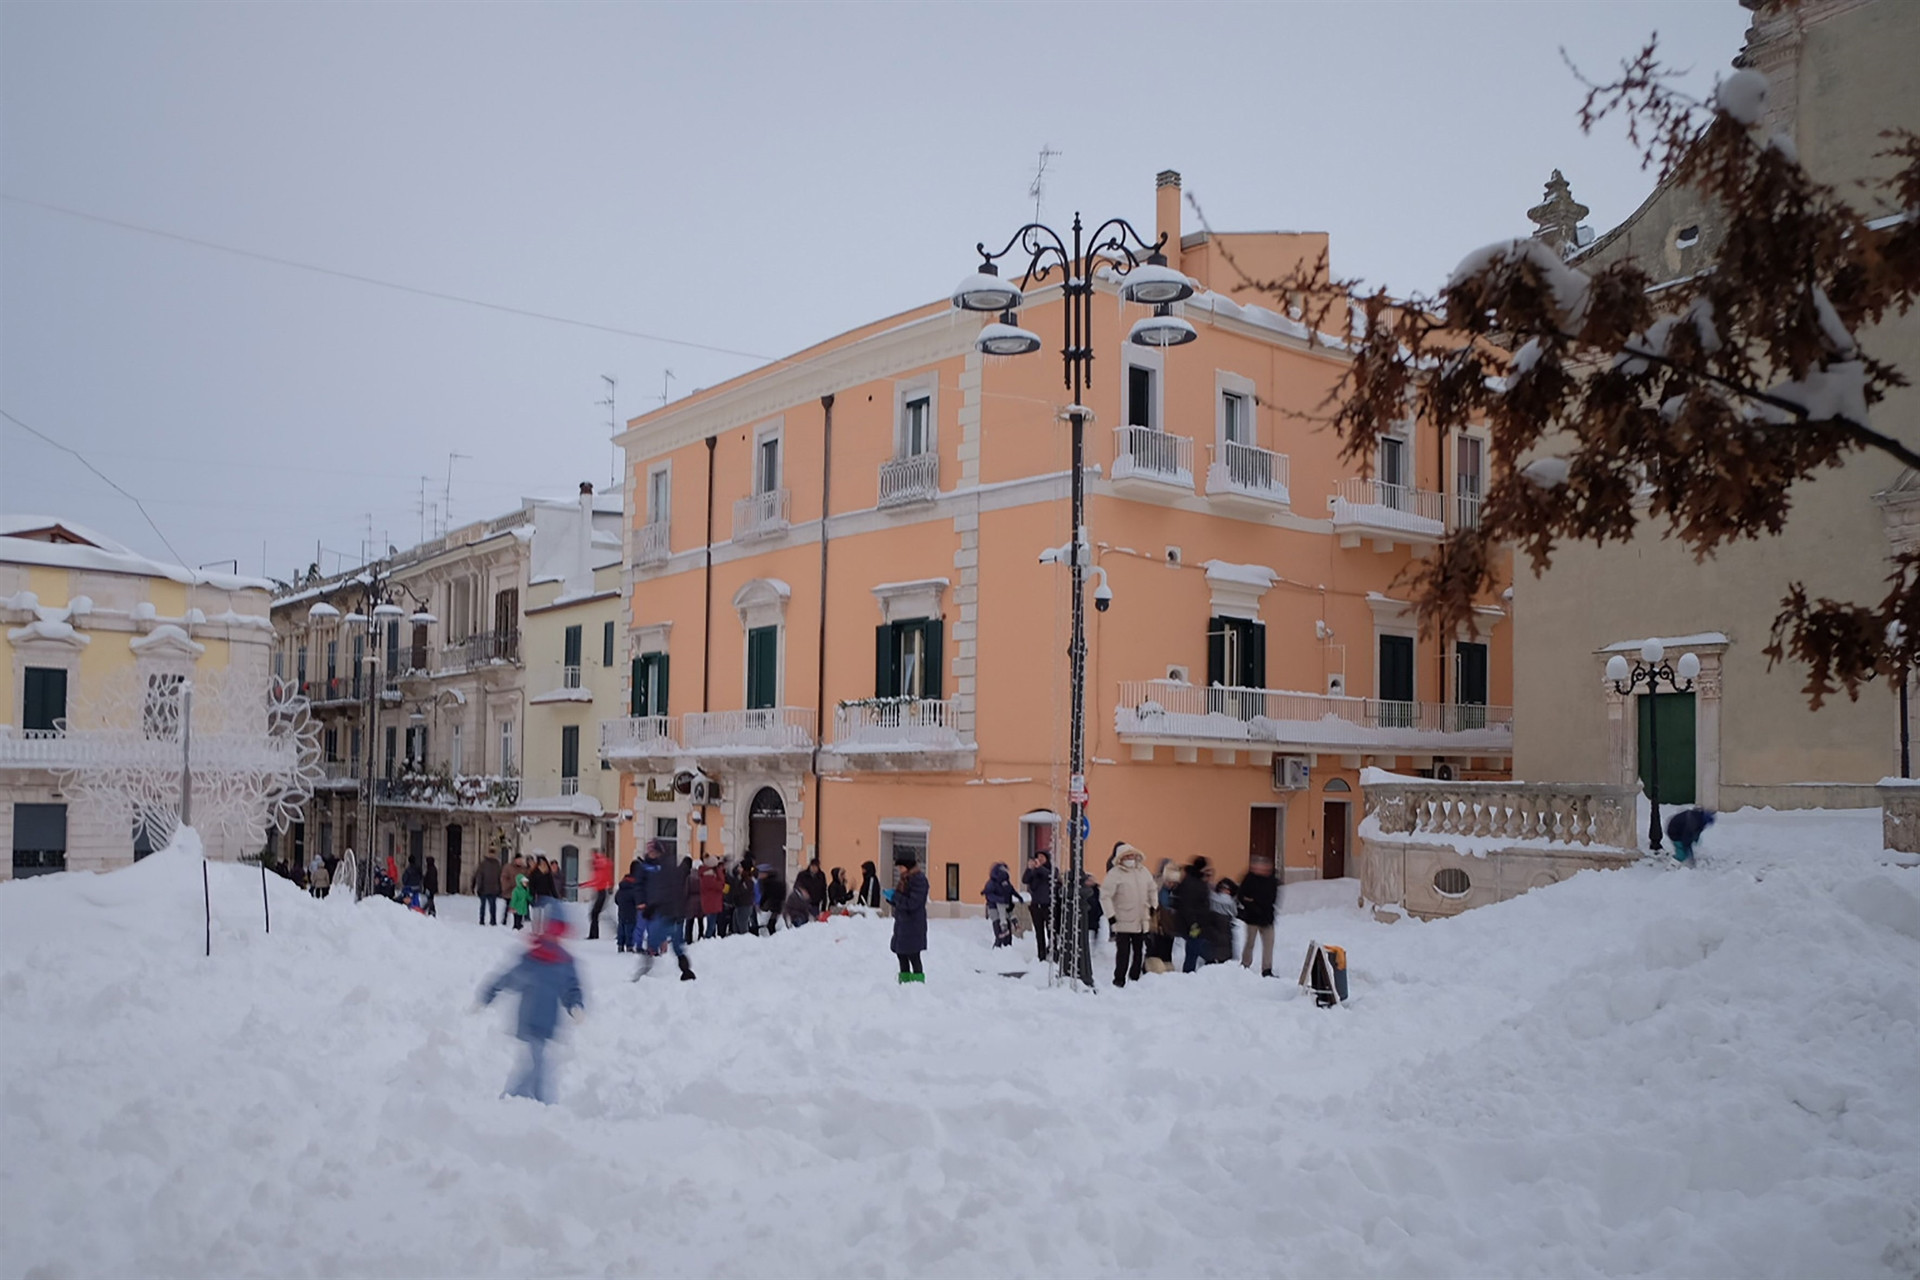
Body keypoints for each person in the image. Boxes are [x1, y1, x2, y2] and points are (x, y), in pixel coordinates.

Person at [476, 911, 584, 1104]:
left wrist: (575, 1005)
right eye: (551, 930)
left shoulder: (564, 961)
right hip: (529, 1019)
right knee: (538, 1062)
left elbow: (571, 988)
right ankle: (536, 1101)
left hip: (549, 1020)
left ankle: (518, 1098)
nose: (553, 937)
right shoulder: (532, 958)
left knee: (536, 1062)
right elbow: (508, 978)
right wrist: (488, 995)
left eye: (557, 932)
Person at [633, 840, 695, 981]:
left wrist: (654, 905)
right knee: (658, 940)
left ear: (660, 851)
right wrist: (643, 902)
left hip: (666, 910)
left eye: (654, 851)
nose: (651, 854)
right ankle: (644, 973)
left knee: (673, 943)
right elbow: (641, 886)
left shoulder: (665, 866)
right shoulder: (647, 867)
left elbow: (668, 890)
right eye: (649, 851)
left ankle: (686, 972)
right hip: (660, 909)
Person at [1101, 843, 1155, 987]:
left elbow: (1152, 888)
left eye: (1132, 855)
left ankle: (1135, 976)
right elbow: (1105, 895)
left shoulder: (1143, 871)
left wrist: (1153, 906)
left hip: (1140, 919)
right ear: (1120, 858)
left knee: (1139, 950)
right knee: (1123, 952)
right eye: (1127, 856)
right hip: (1122, 919)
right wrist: (1110, 915)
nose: (1130, 858)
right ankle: (1119, 979)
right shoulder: (1115, 874)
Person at [888, 848, 928, 982]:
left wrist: (896, 897)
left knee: (913, 956)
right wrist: (892, 898)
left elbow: (912, 903)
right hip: (903, 925)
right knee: (901, 955)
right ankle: (904, 984)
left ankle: (917, 985)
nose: (899, 869)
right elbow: (902, 902)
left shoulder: (919, 880)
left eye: (901, 866)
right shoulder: (905, 879)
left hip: (913, 926)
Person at [1236, 855, 1280, 976]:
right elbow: (1242, 896)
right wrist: (1252, 903)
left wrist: (1253, 901)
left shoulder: (1272, 881)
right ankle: (1245, 965)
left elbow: (1271, 899)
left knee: (1268, 944)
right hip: (1252, 918)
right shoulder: (1249, 879)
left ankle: (1267, 969)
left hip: (1267, 918)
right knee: (1250, 943)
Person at [1175, 857, 1213, 973]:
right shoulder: (1193, 883)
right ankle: (1188, 973)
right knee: (1193, 949)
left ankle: (1192, 971)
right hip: (1193, 923)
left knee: (1196, 947)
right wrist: (1194, 923)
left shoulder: (1193, 880)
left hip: (1196, 922)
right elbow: (1188, 906)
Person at [1022, 851, 1054, 963]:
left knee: (1051, 931)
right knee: (1039, 932)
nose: (1039, 859)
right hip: (1036, 906)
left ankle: (1053, 952)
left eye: (1042, 857)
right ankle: (1041, 955)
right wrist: (1029, 869)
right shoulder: (1033, 872)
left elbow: (1050, 876)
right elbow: (1025, 880)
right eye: (1038, 857)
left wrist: (1039, 868)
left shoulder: (1051, 869)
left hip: (1048, 905)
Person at [982, 862, 1018, 948]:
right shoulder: (991, 883)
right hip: (994, 908)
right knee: (999, 930)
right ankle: (997, 950)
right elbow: (989, 895)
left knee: (1007, 934)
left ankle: (1007, 948)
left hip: (1006, 909)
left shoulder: (1006, 883)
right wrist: (1000, 900)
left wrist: (1010, 903)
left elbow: (1009, 893)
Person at [584, 849, 614, 941]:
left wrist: (584, 885)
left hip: (601, 891)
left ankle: (594, 935)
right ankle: (593, 934)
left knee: (595, 914)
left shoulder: (599, 865)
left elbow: (597, 881)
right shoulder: (601, 864)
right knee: (596, 914)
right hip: (602, 891)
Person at [1207, 876, 1237, 965]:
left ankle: (1212, 957)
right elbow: (1234, 912)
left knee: (1214, 940)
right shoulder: (1231, 901)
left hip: (1214, 920)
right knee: (1225, 942)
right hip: (1226, 923)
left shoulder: (1213, 897)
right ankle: (1224, 958)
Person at [613, 860, 641, 954]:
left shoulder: (623, 883)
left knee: (621, 927)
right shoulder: (635, 885)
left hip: (622, 910)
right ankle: (629, 946)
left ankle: (620, 945)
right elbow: (637, 899)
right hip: (632, 912)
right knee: (630, 929)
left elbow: (616, 899)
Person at [698, 857, 726, 939]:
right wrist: (720, 873)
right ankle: (708, 940)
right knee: (711, 926)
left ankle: (709, 940)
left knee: (711, 924)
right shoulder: (709, 876)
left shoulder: (705, 874)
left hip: (709, 903)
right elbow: (721, 885)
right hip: (712, 904)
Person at [473, 851, 503, 926]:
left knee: (493, 906)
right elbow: (478, 876)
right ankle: (482, 920)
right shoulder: (483, 864)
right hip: (484, 889)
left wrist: (500, 887)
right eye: (490, 853)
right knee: (483, 906)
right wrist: (478, 886)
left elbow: (500, 877)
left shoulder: (497, 864)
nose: (492, 855)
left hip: (494, 889)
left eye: (493, 853)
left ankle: (493, 920)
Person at [728, 860, 756, 937]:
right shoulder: (742, 879)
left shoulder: (747, 881)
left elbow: (738, 891)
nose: (738, 869)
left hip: (744, 906)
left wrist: (735, 878)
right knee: (736, 929)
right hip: (739, 906)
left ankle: (745, 946)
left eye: (740, 867)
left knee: (743, 929)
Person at [760, 863, 787, 936]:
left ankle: (775, 938)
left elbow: (766, 895)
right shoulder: (775, 880)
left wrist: (761, 904)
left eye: (761, 873)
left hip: (774, 906)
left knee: (771, 924)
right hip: (777, 905)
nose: (760, 875)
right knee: (772, 923)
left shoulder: (768, 883)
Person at [681, 858, 704, 941]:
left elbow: (686, 890)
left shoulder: (689, 877)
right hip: (700, 900)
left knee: (690, 921)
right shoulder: (702, 877)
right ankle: (701, 936)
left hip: (691, 901)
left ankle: (688, 938)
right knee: (700, 921)